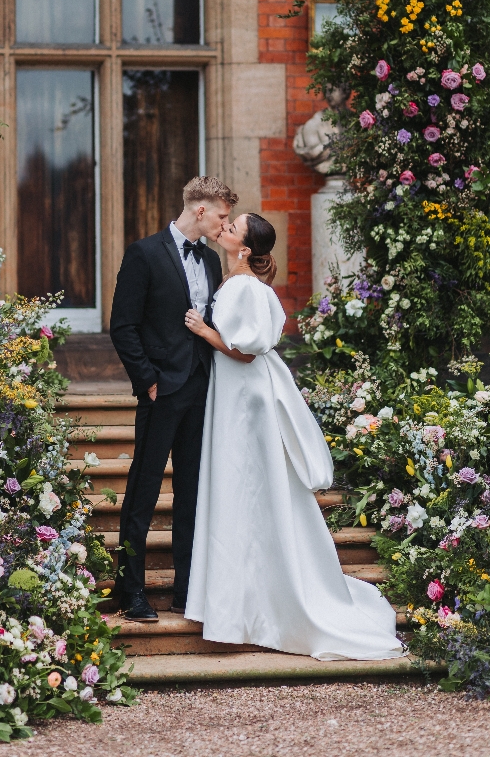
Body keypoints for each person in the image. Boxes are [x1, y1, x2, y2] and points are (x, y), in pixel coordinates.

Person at [183, 212, 405, 660]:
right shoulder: (243, 284)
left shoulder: (244, 287)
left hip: (245, 400)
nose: (223, 230)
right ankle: (241, 605)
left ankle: (250, 609)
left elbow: (245, 353)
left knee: (242, 487)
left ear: (244, 249)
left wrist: (206, 331)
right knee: (248, 492)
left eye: (232, 228)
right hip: (240, 396)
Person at [110, 176, 238, 621]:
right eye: (222, 215)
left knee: (192, 492)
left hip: (201, 387)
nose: (225, 225)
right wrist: (147, 379)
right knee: (143, 491)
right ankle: (132, 593)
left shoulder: (211, 260)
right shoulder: (144, 253)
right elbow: (123, 326)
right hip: (161, 389)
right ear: (200, 210)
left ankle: (187, 591)